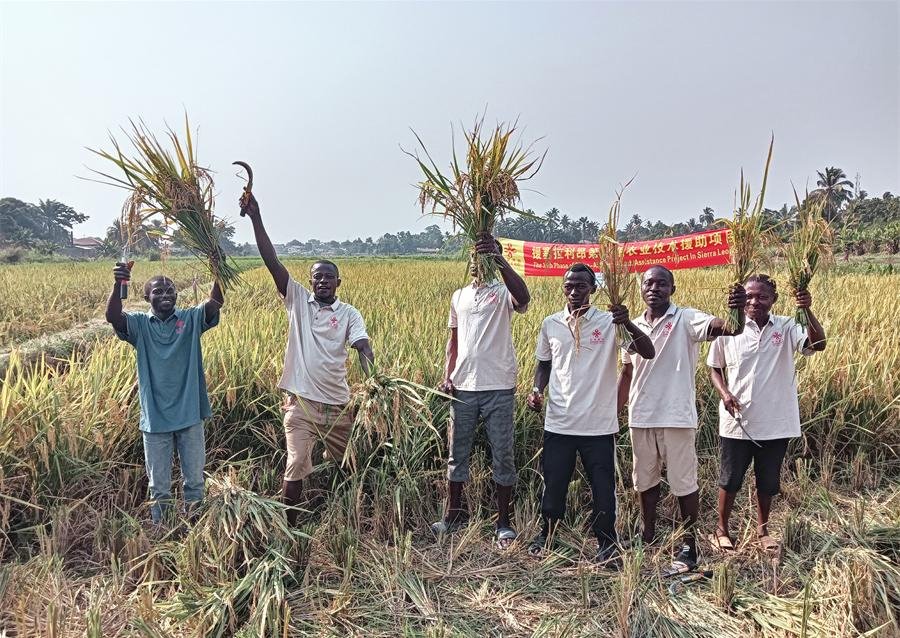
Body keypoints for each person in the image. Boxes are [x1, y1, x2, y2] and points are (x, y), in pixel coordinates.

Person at [242, 193, 374, 525]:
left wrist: (374, 380)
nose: (323, 281)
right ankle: (290, 528)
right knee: (296, 464)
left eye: (329, 277)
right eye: (317, 277)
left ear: (338, 282)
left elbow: (362, 346)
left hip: (338, 405)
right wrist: (256, 218)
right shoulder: (298, 301)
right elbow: (273, 262)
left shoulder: (349, 313)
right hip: (301, 404)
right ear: (311, 281)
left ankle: (349, 516)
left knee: (351, 463)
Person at [617, 265, 745, 573]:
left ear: (672, 289)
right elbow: (628, 372)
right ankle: (648, 534)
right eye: (649, 283)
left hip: (676, 416)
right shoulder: (630, 325)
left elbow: (730, 328)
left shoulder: (686, 319)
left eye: (662, 283)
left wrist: (737, 308)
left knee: (683, 482)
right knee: (644, 480)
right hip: (641, 415)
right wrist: (615, 411)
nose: (654, 288)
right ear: (640, 288)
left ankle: (689, 544)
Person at [526, 264, 654, 567]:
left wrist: (627, 323)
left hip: (598, 425)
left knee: (603, 487)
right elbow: (544, 364)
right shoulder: (551, 323)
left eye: (581, 286)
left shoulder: (610, 323)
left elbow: (647, 351)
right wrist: (536, 390)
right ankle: (547, 534)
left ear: (593, 289)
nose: (574, 291)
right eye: (569, 286)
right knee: (554, 483)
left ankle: (607, 542)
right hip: (559, 422)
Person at [707, 274, 826, 554]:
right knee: (730, 479)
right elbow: (715, 368)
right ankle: (721, 530)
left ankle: (763, 531)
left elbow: (817, 344)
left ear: (774, 299)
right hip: (737, 421)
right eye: (749, 296)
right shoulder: (730, 328)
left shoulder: (787, 326)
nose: (754, 301)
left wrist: (806, 309)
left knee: (768, 480)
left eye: (762, 296)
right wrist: (725, 393)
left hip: (776, 421)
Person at [433, 233, 531, 548]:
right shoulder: (459, 296)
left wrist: (499, 258)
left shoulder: (503, 292)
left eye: (483, 257)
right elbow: (453, 340)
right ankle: (454, 515)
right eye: (474, 257)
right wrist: (448, 376)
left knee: (503, 454)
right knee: (456, 453)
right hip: (462, 387)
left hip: (499, 386)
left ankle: (503, 522)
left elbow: (524, 299)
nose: (477, 263)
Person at [106, 259, 223, 523]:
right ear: (146, 298)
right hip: (155, 419)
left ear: (177, 295)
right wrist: (118, 284)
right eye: (158, 291)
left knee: (194, 482)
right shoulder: (140, 325)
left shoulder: (190, 319)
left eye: (170, 290)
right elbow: (113, 317)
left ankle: (195, 528)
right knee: (159, 487)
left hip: (190, 414)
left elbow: (215, 302)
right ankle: (163, 531)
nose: (165, 294)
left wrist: (218, 269)